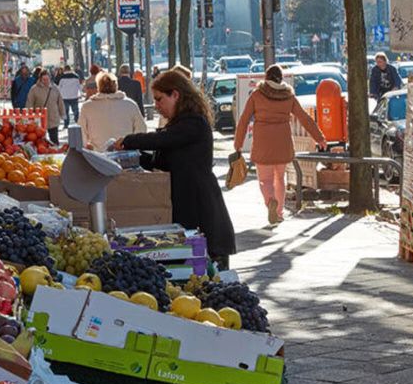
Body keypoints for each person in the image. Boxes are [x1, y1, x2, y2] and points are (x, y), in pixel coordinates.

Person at [116, 70, 236, 265]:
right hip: (185, 205)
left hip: (201, 209)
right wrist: (129, 160)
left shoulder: (194, 123)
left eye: (159, 99)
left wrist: (129, 141)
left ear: (175, 95)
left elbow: (161, 140)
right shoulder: (179, 124)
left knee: (208, 271)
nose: (156, 106)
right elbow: (161, 162)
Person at [234, 65, 327, 225]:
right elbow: (304, 118)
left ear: (266, 77)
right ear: (281, 78)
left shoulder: (257, 94)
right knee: (280, 178)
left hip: (263, 142)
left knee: (265, 180)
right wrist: (320, 138)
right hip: (283, 141)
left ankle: (270, 202)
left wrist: (238, 144)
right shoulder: (288, 96)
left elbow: (244, 120)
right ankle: (279, 213)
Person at [79, 71, 147, 151]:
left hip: (98, 156)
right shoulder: (130, 104)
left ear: (98, 87)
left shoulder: (87, 107)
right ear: (116, 86)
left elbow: (81, 132)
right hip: (124, 154)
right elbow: (141, 129)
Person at [25, 70, 65, 145]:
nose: (46, 81)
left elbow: (60, 101)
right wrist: (29, 115)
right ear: (40, 79)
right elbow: (29, 102)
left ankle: (55, 153)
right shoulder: (34, 89)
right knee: (40, 140)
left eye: (47, 79)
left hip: (53, 117)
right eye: (44, 79)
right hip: (40, 119)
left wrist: (62, 113)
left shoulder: (54, 88)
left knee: (54, 140)